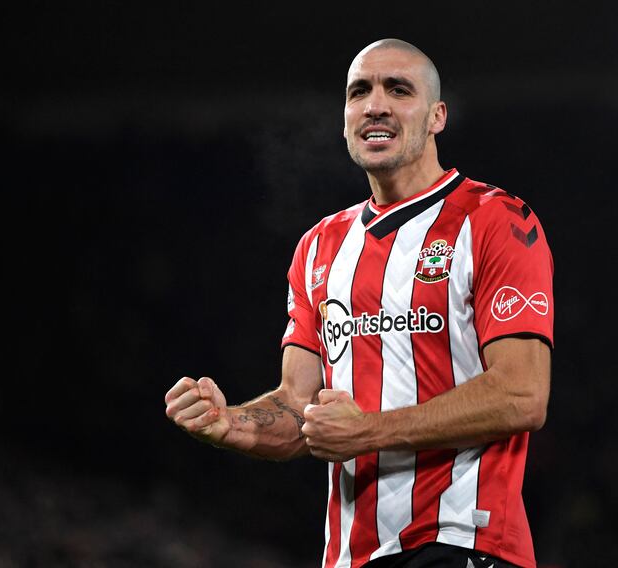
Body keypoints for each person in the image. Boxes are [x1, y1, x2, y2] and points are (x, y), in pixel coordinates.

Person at [164, 38, 554, 568]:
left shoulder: (495, 220)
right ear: (345, 117)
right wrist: (230, 423)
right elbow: (298, 406)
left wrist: (367, 431)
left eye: (399, 89)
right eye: (359, 92)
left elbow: (521, 394)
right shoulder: (318, 247)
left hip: (463, 541)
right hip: (350, 555)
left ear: (438, 116)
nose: (376, 104)